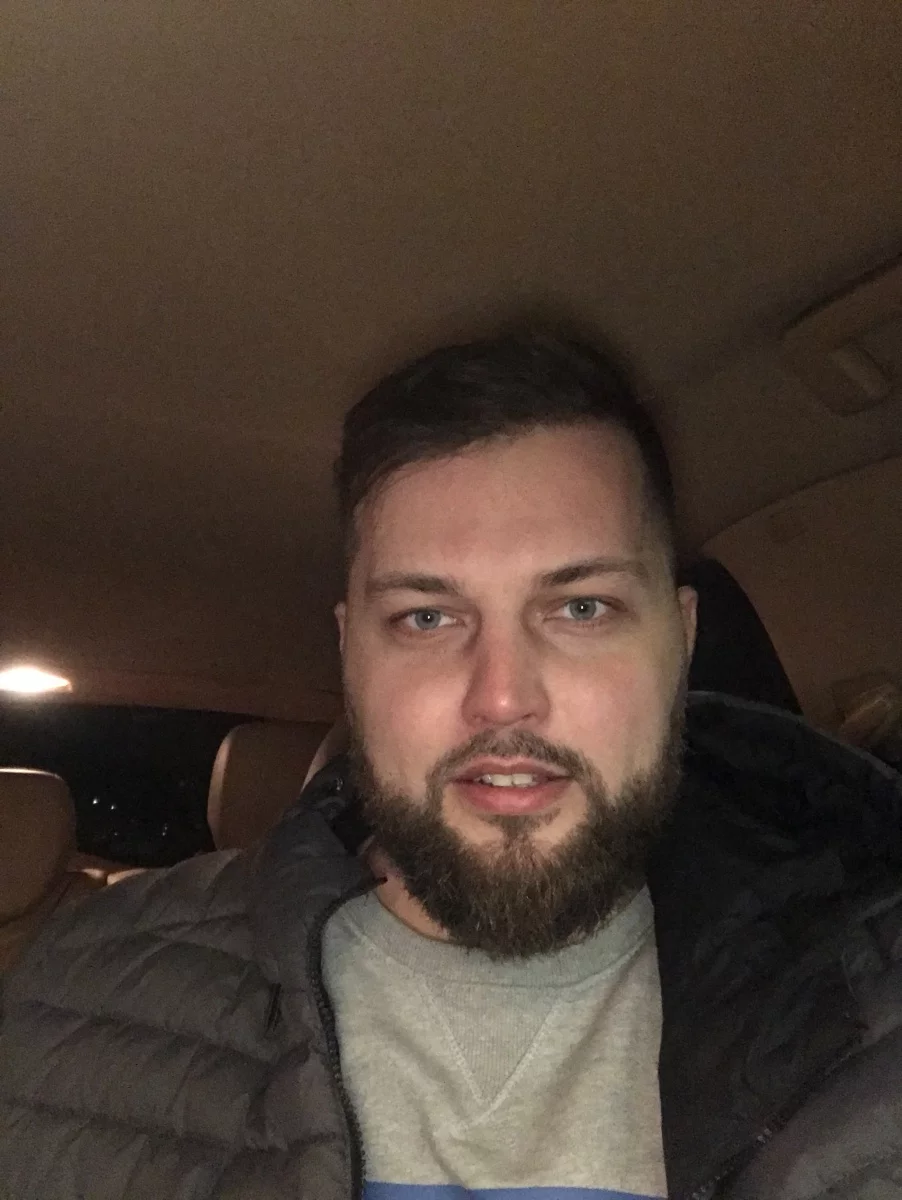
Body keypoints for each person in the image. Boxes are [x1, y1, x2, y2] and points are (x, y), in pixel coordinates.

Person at [1, 330, 901, 1200]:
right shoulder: (85, 1001)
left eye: (582, 608)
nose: (502, 697)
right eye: (427, 618)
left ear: (683, 639)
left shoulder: (870, 1005)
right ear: (350, 654)